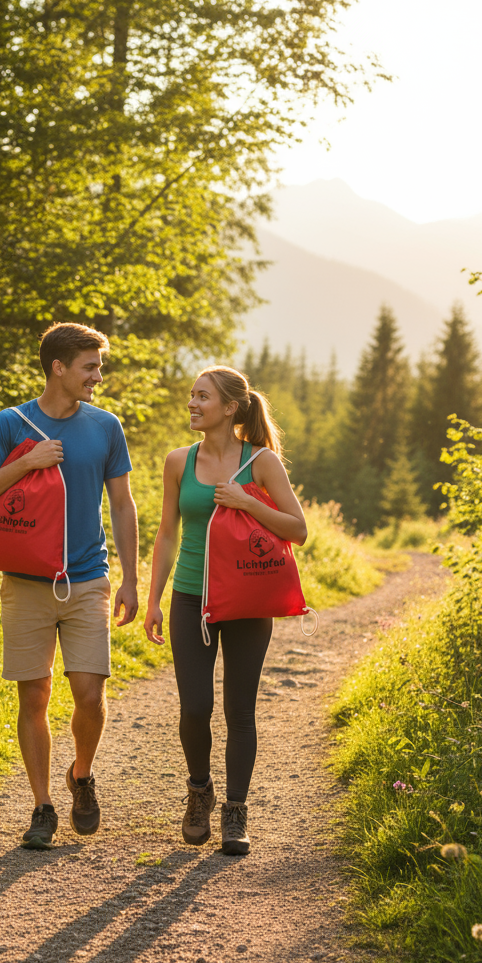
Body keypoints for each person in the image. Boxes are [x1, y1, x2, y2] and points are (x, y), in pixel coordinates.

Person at [0, 323, 139, 850]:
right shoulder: (11, 424)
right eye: (90, 366)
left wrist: (130, 578)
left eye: (98, 367)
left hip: (87, 579)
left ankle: (81, 775)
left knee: (89, 692)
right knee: (33, 694)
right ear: (58, 367)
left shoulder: (106, 426)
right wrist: (25, 463)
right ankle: (42, 806)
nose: (97, 377)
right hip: (24, 583)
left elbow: (123, 504)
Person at [143, 366, 307, 855]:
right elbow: (167, 533)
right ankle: (199, 792)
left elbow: (297, 529)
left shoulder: (261, 462)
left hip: (246, 599)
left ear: (231, 407)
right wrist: (154, 597)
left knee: (240, 709)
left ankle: (236, 811)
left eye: (203, 397)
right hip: (191, 597)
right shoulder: (179, 461)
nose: (192, 404)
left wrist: (245, 502)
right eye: (191, 395)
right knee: (195, 707)